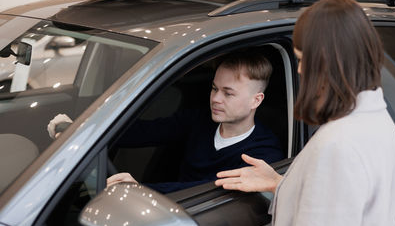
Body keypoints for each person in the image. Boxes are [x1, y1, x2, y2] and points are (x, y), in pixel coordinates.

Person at [215, 0, 395, 226]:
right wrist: (279, 184)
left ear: (326, 60)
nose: (299, 70)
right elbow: (343, 202)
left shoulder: (339, 146)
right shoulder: (378, 121)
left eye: (302, 59)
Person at [49, 50, 285, 193]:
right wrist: (82, 130)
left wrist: (140, 190)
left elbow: (211, 187)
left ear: (256, 100)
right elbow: (146, 131)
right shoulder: (200, 119)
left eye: (228, 93)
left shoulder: (263, 152)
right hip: (170, 206)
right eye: (214, 89)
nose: (216, 98)